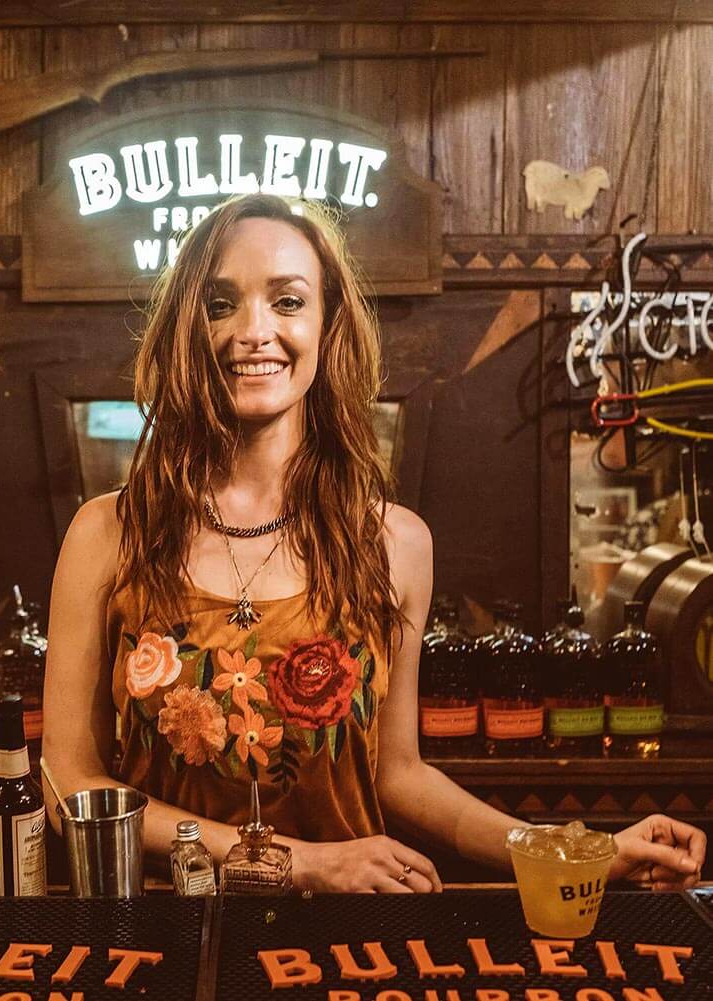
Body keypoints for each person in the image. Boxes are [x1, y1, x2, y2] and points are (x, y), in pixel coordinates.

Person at [43, 193, 706, 893]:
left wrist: (573, 848)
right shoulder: (108, 533)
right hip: (167, 930)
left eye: (288, 301)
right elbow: (69, 784)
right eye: (219, 303)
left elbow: (400, 776)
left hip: (347, 939)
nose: (253, 330)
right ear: (186, 329)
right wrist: (294, 863)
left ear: (328, 328)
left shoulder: (394, 543)